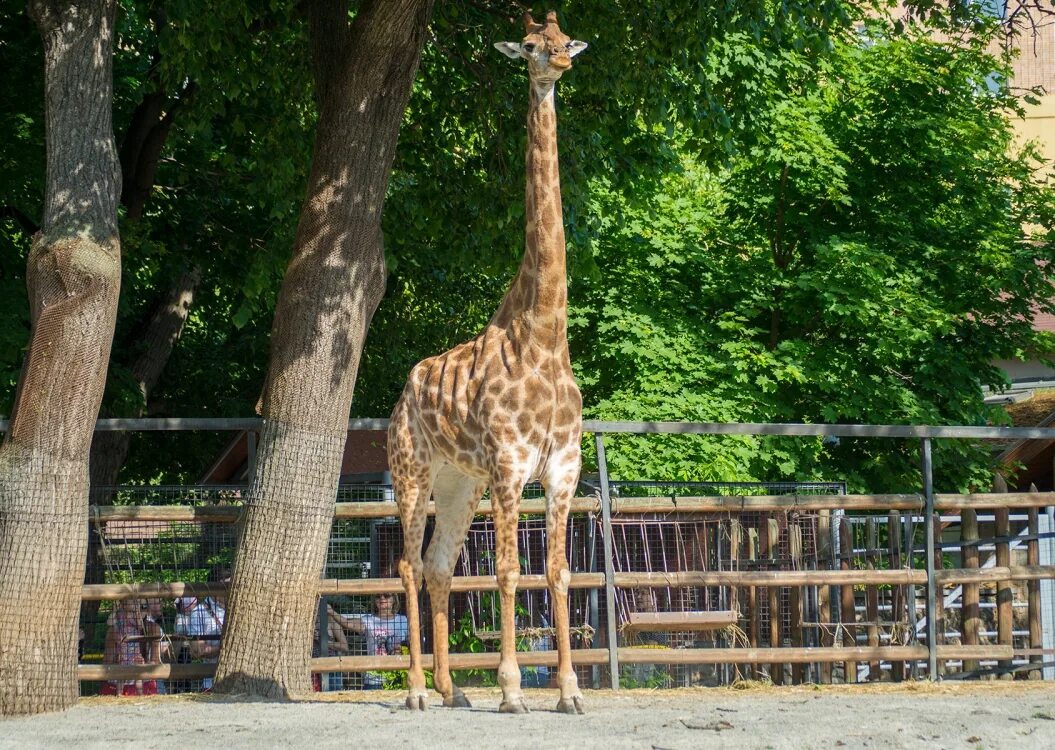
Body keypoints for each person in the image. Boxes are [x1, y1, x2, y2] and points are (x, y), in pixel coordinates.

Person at [333, 593, 408, 689]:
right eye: (378, 596)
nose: (382, 598)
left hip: (398, 676)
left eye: (387, 595)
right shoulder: (368, 620)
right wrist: (332, 612)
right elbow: (348, 624)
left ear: (394, 599)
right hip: (374, 679)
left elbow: (411, 644)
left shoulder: (403, 620)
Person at [173, 568, 229, 691]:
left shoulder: (237, 607)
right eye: (227, 585)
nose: (230, 589)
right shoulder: (199, 611)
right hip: (212, 682)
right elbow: (197, 650)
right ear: (215, 587)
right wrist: (228, 650)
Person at [101, 599, 156, 697]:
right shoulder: (118, 615)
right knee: (121, 671)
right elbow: (109, 622)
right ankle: (119, 693)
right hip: (123, 647)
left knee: (138, 671)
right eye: (133, 602)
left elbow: (140, 626)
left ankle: (140, 693)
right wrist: (114, 611)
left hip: (134, 648)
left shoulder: (136, 616)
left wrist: (138, 613)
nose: (135, 604)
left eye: (136, 603)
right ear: (123, 604)